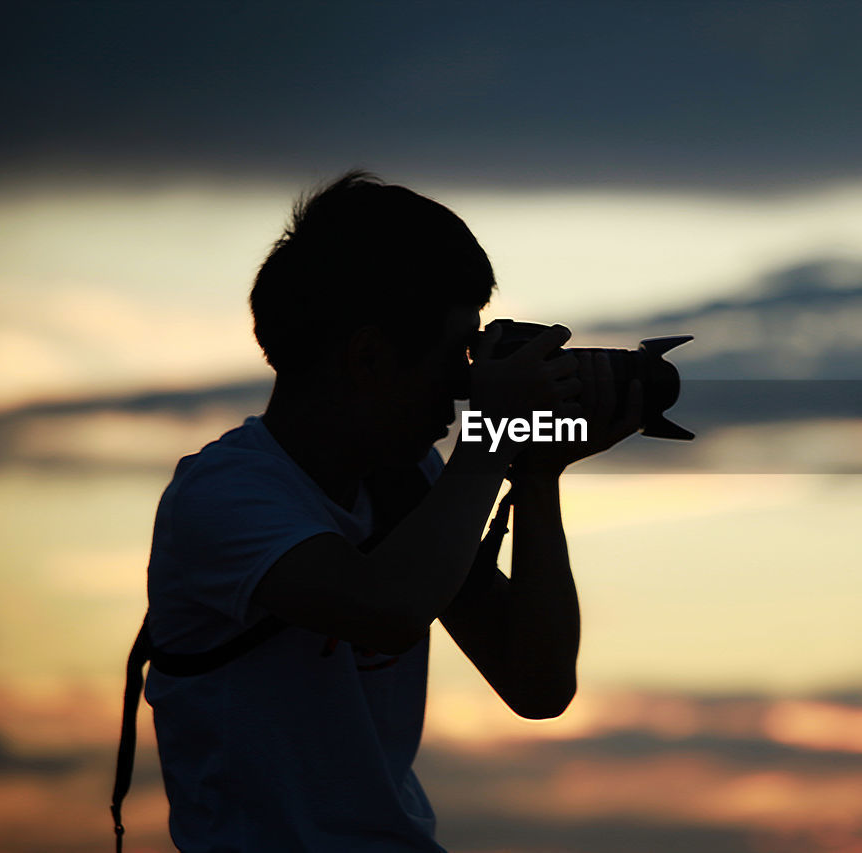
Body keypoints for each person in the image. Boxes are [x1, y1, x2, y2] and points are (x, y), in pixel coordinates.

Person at [141, 171, 641, 851]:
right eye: (454, 353)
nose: (463, 387)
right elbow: (387, 609)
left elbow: (538, 681)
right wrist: (491, 434)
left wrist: (536, 470)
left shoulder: (406, 483)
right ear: (369, 356)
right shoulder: (224, 497)